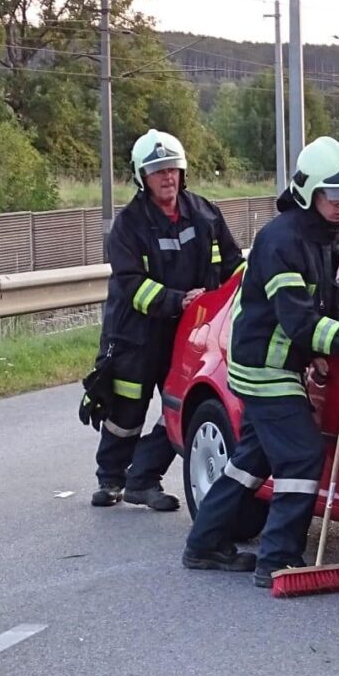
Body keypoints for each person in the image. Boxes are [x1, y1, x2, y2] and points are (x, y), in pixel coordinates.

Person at [181, 136, 339, 579]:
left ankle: (204, 542)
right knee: (302, 455)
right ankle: (277, 558)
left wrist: (319, 351)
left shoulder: (323, 236)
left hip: (281, 363)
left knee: (252, 460)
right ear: (309, 192)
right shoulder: (281, 240)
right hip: (264, 370)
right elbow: (297, 318)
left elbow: (318, 307)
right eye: (335, 195)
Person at [83, 129, 244, 511]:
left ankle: (144, 479)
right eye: (157, 172)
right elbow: (131, 286)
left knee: (179, 405)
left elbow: (235, 266)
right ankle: (110, 479)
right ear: (142, 177)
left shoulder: (205, 213)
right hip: (136, 333)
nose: (167, 177)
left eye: (172, 169)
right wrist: (178, 300)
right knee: (127, 409)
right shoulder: (128, 226)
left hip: (191, 333)